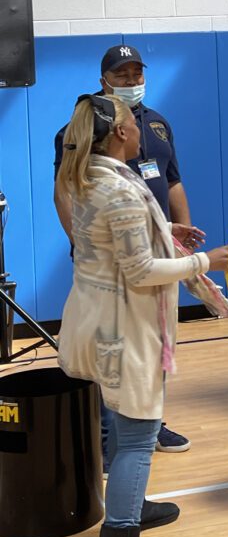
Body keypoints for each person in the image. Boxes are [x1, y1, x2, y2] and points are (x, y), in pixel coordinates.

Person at [56, 93, 228, 537]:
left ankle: (132, 505)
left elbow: (118, 240)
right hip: (123, 330)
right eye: (134, 120)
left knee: (124, 425)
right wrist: (208, 262)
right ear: (119, 133)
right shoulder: (120, 190)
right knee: (137, 438)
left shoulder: (90, 175)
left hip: (95, 319)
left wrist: (164, 228)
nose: (140, 125)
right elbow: (141, 270)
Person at [53, 44, 195, 453]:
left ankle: (149, 423)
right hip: (112, 265)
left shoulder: (157, 125)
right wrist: (80, 245)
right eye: (122, 75)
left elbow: (172, 181)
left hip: (154, 254)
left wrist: (179, 234)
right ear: (104, 82)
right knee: (112, 349)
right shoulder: (78, 132)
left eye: (137, 74)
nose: (132, 82)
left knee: (151, 345)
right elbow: (64, 191)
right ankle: (106, 436)